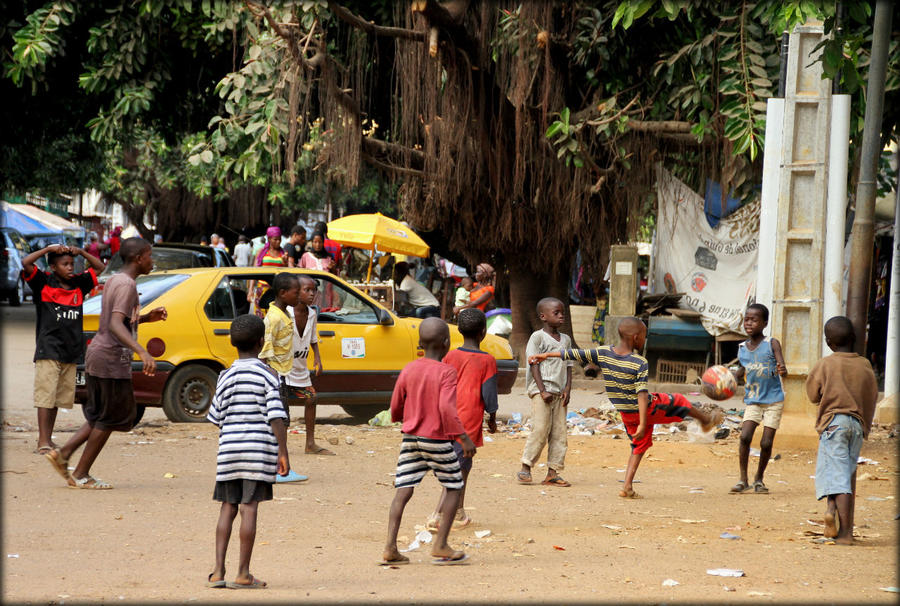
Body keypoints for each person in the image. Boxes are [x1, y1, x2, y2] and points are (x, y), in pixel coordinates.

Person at [529, 316, 723, 498]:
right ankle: (706, 420)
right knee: (679, 400)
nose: (644, 340)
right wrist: (643, 423)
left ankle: (627, 487)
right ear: (636, 337)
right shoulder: (639, 362)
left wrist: (546, 355)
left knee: (639, 446)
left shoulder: (603, 353)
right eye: (644, 336)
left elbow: (572, 354)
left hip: (626, 414)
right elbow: (642, 394)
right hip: (646, 409)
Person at [45, 238, 167, 489]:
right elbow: (113, 324)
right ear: (138, 259)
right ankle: (81, 474)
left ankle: (63, 454)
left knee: (99, 415)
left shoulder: (115, 280)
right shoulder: (126, 285)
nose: (152, 261)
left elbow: (118, 320)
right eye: (149, 256)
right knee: (110, 417)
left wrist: (145, 318)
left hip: (101, 355)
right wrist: (142, 352)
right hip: (110, 359)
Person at [380, 317, 474, 566]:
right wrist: (463, 438)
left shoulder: (409, 368)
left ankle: (390, 547)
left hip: (410, 437)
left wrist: (401, 417)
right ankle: (441, 544)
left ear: (420, 343)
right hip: (436, 439)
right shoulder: (447, 371)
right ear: (446, 343)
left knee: (403, 490)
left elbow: (396, 403)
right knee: (454, 486)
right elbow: (446, 408)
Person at [206, 314, 290, 589]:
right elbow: (276, 416)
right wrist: (283, 452)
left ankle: (218, 572)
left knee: (227, 507)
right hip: (258, 452)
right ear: (261, 342)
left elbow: (215, 416)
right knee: (249, 507)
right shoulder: (267, 375)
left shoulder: (225, 375)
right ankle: (243, 573)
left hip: (229, 452)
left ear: (233, 343)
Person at [23, 244, 104, 454]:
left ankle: (48, 439)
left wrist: (82, 252)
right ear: (53, 267)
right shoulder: (43, 283)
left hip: (71, 350)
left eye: (71, 264)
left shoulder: (79, 284)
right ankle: (42, 441)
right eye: (64, 264)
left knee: (57, 398)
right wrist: (47, 249)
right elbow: (26, 262)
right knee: (45, 396)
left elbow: (100, 267)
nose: (70, 268)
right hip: (49, 348)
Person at [806, 316, 878, 546]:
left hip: (834, 424)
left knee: (837, 477)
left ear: (829, 342)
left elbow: (812, 395)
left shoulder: (825, 364)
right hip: (856, 425)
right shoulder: (864, 365)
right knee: (842, 473)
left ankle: (846, 533)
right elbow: (871, 396)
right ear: (854, 338)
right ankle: (831, 510)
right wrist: (865, 427)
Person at [425, 308, 498, 531]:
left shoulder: (450, 356)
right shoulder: (487, 360)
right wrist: (492, 418)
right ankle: (437, 514)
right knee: (457, 468)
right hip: (467, 422)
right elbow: (489, 395)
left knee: (461, 464)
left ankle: (459, 510)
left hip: (445, 419)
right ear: (483, 332)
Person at [729, 303, 787, 494]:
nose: (749, 323)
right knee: (745, 436)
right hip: (753, 400)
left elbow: (782, 366)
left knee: (766, 443)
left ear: (765, 323)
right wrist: (731, 377)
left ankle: (759, 479)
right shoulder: (742, 348)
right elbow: (744, 368)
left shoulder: (771, 343)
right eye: (746, 319)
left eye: (754, 320)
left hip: (773, 400)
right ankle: (743, 479)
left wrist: (782, 369)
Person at [516, 297, 573, 487]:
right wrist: (542, 391)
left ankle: (553, 472)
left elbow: (569, 365)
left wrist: (568, 388)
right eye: (556, 313)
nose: (561, 316)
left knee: (559, 433)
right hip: (542, 391)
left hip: (559, 392)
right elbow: (533, 363)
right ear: (543, 316)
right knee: (540, 429)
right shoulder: (538, 337)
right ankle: (526, 467)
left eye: (562, 312)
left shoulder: (566, 340)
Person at [284, 276, 332, 456]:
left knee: (311, 398)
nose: (312, 294)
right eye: (307, 290)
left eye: (314, 290)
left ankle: (310, 443)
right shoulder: (285, 313)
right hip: (283, 368)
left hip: (300, 367)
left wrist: (317, 358)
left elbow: (313, 338)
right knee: (282, 406)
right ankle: (280, 445)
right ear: (297, 292)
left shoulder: (312, 314)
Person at [247, 227, 288, 317]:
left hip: (277, 291)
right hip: (262, 289)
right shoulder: (261, 253)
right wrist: (250, 290)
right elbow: (255, 272)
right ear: (269, 239)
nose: (278, 242)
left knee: (276, 316)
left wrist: (285, 262)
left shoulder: (283, 254)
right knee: (260, 317)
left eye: (279, 239)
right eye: (275, 239)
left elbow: (286, 274)